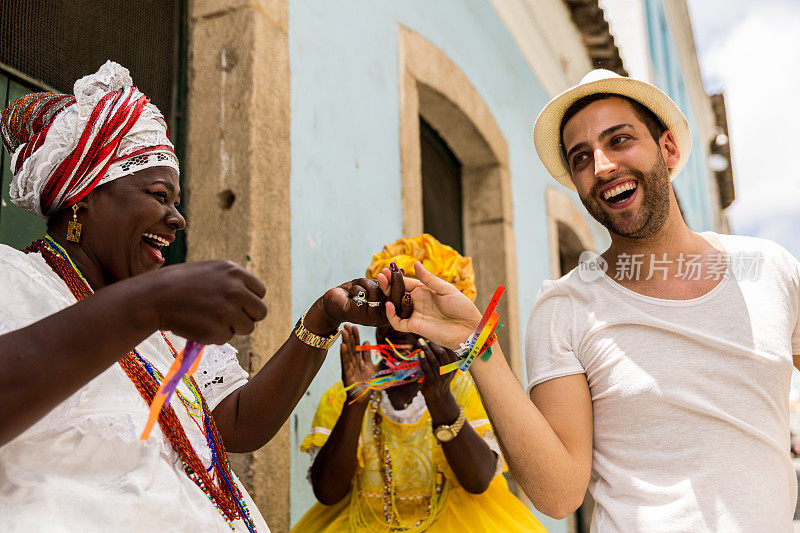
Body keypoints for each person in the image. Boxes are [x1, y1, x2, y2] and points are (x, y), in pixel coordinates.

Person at [380, 70, 800, 532]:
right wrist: (473, 342)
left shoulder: (772, 269)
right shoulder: (564, 308)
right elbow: (557, 494)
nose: (601, 166)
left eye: (619, 140)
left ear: (669, 149)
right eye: (582, 158)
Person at [0, 61, 409, 532]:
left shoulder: (169, 322)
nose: (178, 218)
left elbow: (236, 423)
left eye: (177, 202)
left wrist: (322, 318)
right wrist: (150, 302)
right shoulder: (16, 281)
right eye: (158, 194)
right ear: (82, 197)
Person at [291, 234, 545, 532]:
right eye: (392, 314)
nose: (403, 330)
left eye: (418, 316)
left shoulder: (468, 389)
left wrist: (440, 399)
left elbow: (479, 480)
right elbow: (327, 492)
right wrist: (355, 404)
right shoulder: (345, 392)